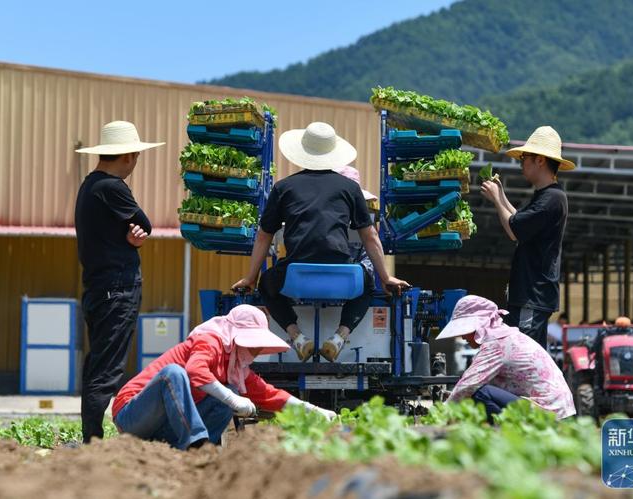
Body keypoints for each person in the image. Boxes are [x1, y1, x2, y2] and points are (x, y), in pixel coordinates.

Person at [232, 122, 409, 363]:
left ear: (302, 152)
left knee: (266, 285)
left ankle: (297, 337)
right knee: (369, 284)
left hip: (296, 276)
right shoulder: (349, 188)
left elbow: (264, 235)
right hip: (343, 277)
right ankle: (338, 337)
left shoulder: (283, 188)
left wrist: (251, 278)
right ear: (333, 152)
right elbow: (370, 236)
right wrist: (387, 278)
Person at [112, 305, 335, 450]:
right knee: (174, 373)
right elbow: (195, 370)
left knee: (229, 393)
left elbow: (269, 395)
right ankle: (197, 444)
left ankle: (191, 450)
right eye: (253, 343)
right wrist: (231, 398)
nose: (256, 351)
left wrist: (313, 410)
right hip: (132, 415)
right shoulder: (209, 341)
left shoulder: (235, 366)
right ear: (236, 336)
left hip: (163, 428)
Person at [74, 121, 165, 443]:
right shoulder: (112, 188)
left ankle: (91, 435)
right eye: (136, 157)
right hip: (118, 288)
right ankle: (93, 440)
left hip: (99, 288)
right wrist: (137, 234)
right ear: (127, 156)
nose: (136, 163)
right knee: (108, 369)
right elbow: (145, 223)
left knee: (98, 362)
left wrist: (131, 239)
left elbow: (131, 232)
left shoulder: (89, 186)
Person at [480, 126, 575, 349]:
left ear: (540, 160)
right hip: (531, 296)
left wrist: (495, 199)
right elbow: (519, 221)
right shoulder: (546, 196)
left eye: (525, 158)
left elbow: (514, 231)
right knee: (527, 358)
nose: (521, 162)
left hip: (533, 294)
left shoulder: (552, 198)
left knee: (521, 356)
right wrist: (501, 195)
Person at [436, 295, 575, 421]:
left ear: (479, 327)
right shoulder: (506, 338)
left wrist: (441, 415)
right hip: (560, 411)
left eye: (465, 330)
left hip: (549, 413)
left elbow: (467, 385)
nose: (463, 337)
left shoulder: (497, 344)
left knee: (480, 393)